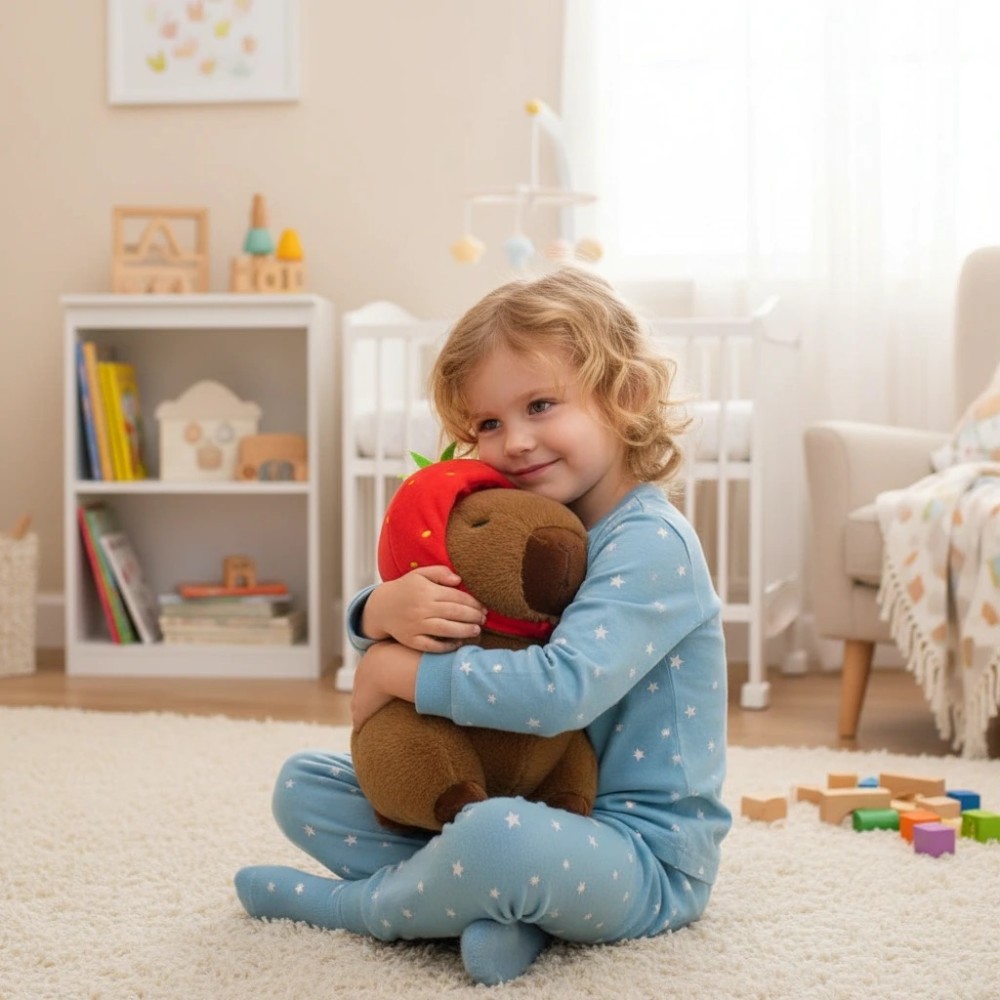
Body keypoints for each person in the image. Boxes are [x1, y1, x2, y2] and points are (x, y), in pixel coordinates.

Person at [234, 267, 731, 985]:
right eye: (489, 424)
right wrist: (375, 612)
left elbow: (560, 692)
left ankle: (368, 907)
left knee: (495, 838)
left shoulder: (651, 542)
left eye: (540, 405)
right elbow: (454, 607)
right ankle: (494, 911)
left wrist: (395, 671)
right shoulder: (539, 530)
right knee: (303, 784)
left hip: (644, 858)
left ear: (627, 397)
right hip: (522, 801)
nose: (516, 442)